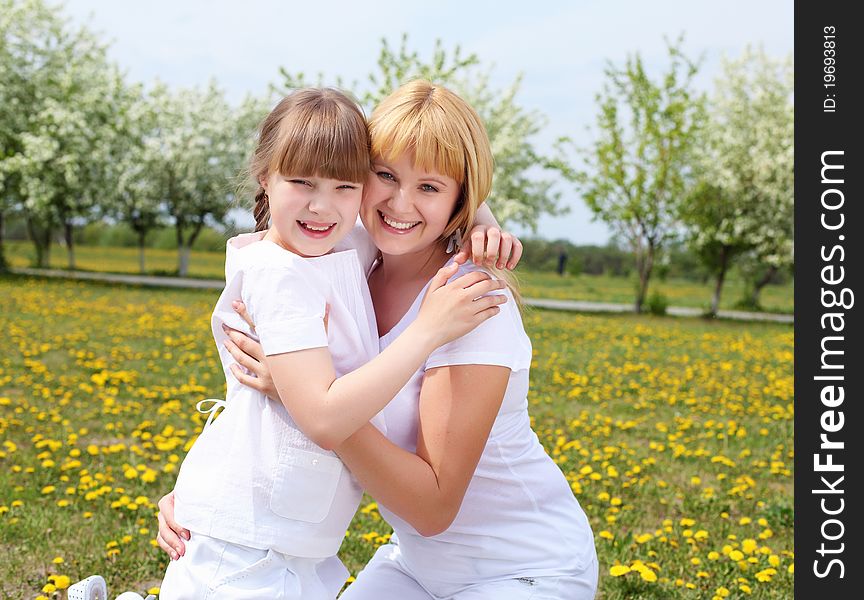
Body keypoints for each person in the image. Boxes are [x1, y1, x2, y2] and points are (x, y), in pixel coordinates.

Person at [159, 80, 598, 599]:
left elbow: (432, 508)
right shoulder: (350, 256)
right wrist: (210, 495)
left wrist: (301, 399)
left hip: (525, 570)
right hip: (413, 565)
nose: (400, 203)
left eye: (430, 189)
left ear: (461, 197)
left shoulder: (470, 304)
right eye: (384, 176)